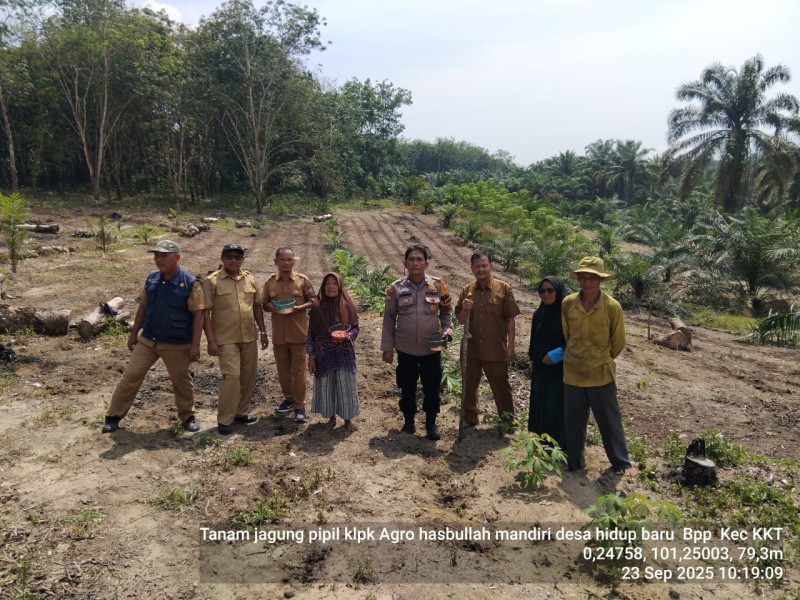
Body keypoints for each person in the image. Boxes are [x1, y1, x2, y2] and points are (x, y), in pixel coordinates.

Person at [102, 240, 204, 433]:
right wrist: (134, 335)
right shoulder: (152, 279)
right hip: (149, 340)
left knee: (181, 381)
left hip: (176, 343)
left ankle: (188, 416)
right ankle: (113, 415)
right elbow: (143, 307)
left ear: (177, 257)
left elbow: (198, 315)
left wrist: (195, 345)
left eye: (164, 255)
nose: (159, 259)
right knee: (131, 375)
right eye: (157, 255)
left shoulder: (190, 283)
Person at [561, 256, 631, 473]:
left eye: (592, 278)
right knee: (573, 422)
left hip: (601, 374)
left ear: (600, 280)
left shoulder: (612, 307)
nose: (587, 282)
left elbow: (618, 342)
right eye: (583, 278)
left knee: (609, 421)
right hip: (573, 373)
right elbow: (567, 335)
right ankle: (574, 462)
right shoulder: (568, 303)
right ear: (578, 279)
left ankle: (620, 463)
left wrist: (600, 358)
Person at [381, 244, 453, 440]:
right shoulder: (396, 288)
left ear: (426, 263)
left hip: (432, 347)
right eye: (411, 259)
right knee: (407, 387)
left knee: (432, 388)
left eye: (419, 259)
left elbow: (446, 311)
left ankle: (431, 424)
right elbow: (388, 318)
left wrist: (447, 328)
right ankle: (409, 422)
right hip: (405, 349)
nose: (415, 263)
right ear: (405, 263)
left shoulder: (438, 285)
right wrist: (387, 347)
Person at [203, 243, 269, 435]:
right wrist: (210, 341)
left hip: (249, 336)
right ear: (222, 259)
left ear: (242, 259)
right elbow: (205, 313)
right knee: (232, 376)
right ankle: (225, 419)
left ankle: (241, 412)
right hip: (225, 338)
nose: (233, 260)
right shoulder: (212, 281)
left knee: (248, 376)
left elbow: (257, 307)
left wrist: (263, 332)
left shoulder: (249, 278)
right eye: (229, 256)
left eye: (237, 257)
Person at [455, 251, 521, 429]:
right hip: (471, 349)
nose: (481, 269)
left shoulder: (504, 288)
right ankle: (471, 417)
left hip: (495, 349)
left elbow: (510, 319)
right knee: (469, 384)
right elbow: (460, 320)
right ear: (472, 269)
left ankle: (507, 421)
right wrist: (465, 310)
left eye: (484, 265)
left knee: (501, 385)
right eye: (477, 266)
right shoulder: (466, 290)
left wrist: (510, 346)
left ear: (491, 266)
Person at [262, 247, 315, 424]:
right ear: (276, 262)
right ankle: (289, 399)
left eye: (289, 259)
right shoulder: (270, 282)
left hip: (299, 335)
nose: (286, 263)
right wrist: (269, 307)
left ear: (294, 261)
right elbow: (264, 303)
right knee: (283, 372)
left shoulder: (303, 281)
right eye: (282, 260)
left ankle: (299, 407)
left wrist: (299, 308)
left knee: (299, 372)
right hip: (279, 336)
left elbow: (313, 301)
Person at [307, 272, 360, 432]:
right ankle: (331, 418)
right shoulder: (316, 306)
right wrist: (311, 356)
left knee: (346, 385)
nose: (331, 287)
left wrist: (347, 335)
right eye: (327, 284)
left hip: (344, 353)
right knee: (326, 386)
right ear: (323, 286)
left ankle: (348, 420)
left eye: (334, 284)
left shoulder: (347, 305)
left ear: (340, 286)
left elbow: (356, 328)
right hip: (323, 353)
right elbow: (311, 333)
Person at [527, 276, 567, 448]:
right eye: (542, 291)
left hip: (559, 371)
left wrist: (558, 354)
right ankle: (538, 443)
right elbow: (534, 338)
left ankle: (555, 447)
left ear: (558, 291)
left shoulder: (567, 314)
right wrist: (532, 356)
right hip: (540, 369)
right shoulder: (540, 311)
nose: (546, 294)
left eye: (550, 290)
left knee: (554, 407)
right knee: (539, 405)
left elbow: (576, 339)